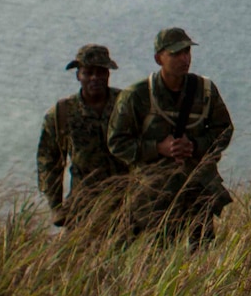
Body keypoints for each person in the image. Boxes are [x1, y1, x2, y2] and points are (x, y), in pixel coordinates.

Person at [107, 27, 234, 243]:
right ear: (159, 58)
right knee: (156, 254)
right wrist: (157, 148)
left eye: (187, 52)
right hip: (153, 196)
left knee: (200, 253)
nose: (184, 58)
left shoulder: (204, 90)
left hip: (196, 189)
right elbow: (117, 142)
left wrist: (194, 145)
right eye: (175, 54)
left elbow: (223, 130)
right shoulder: (137, 96)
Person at [36, 44, 129, 227]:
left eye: (100, 72)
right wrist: (56, 207)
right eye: (88, 73)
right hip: (84, 207)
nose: (95, 78)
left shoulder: (126, 105)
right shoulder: (62, 113)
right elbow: (49, 162)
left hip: (127, 203)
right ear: (78, 75)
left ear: (108, 74)